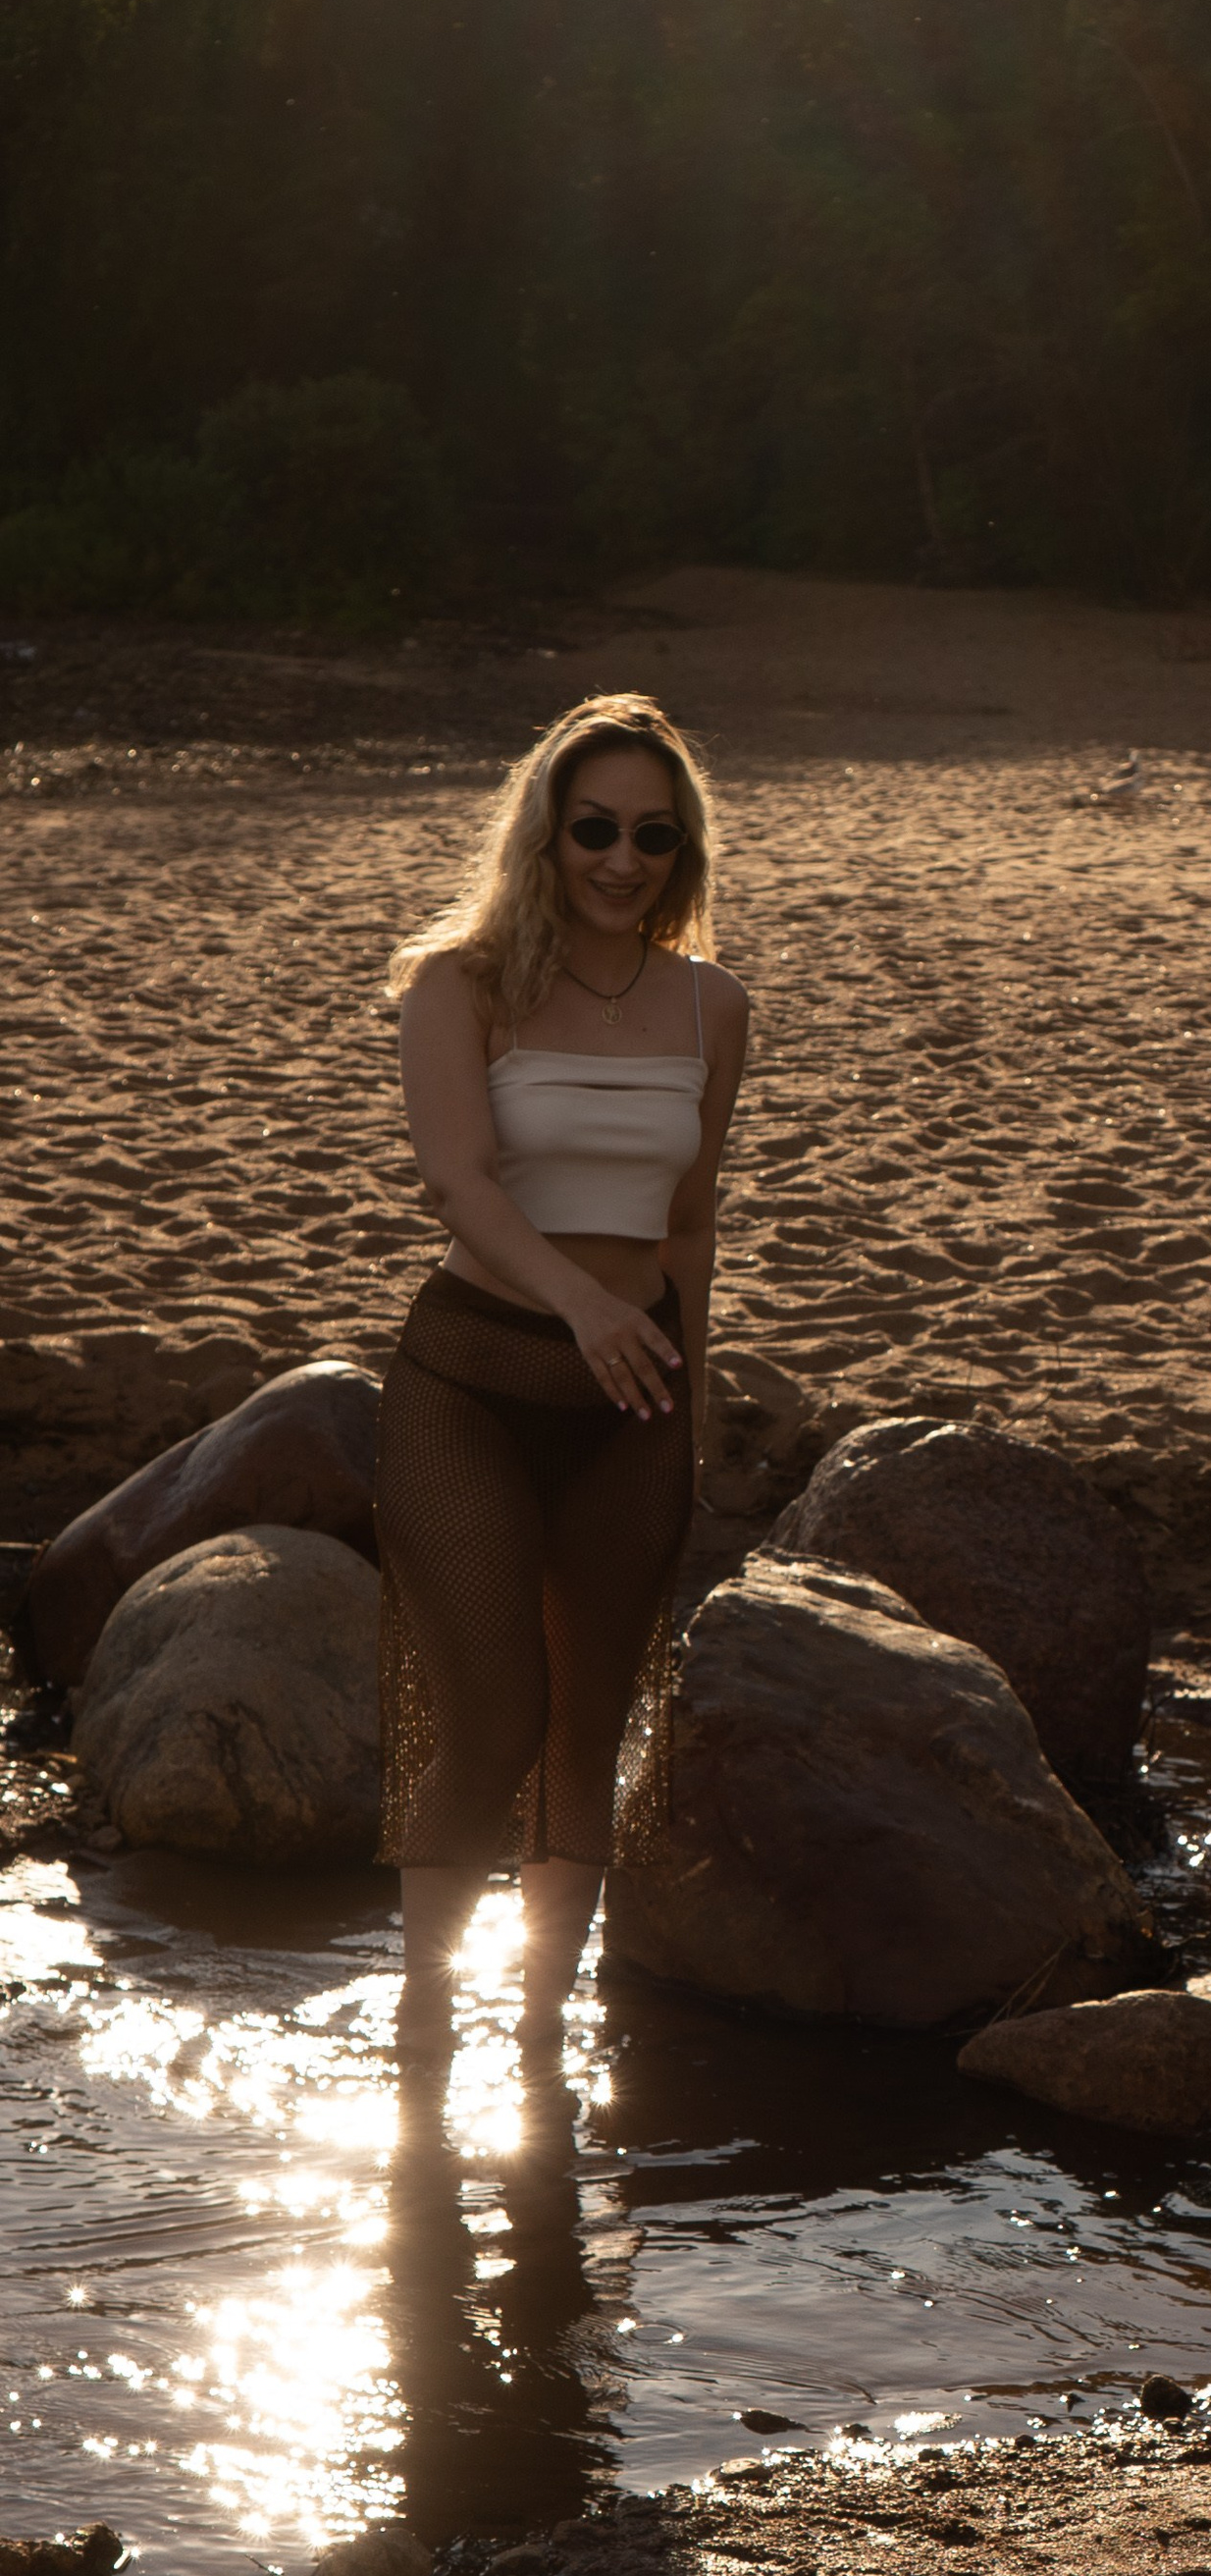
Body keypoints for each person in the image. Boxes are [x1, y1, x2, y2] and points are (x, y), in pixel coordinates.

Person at [380, 692, 750, 2065]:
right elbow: (458, 1183)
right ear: (545, 832)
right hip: (468, 1388)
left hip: (632, 1401)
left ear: (682, 851)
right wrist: (586, 1303)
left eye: (654, 835)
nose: (622, 859)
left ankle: (539, 2039)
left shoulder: (713, 1005)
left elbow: (691, 1224)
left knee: (590, 1727)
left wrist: (688, 1398)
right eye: (596, 828)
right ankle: (425, 2029)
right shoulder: (457, 983)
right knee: (496, 1715)